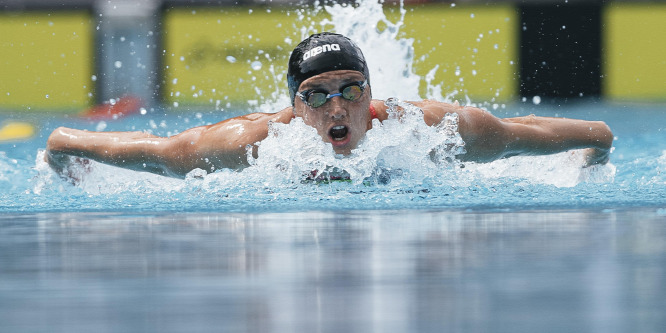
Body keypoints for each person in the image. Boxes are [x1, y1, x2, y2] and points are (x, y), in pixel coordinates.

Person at [46, 32, 613, 180]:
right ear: (294, 107)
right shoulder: (253, 145)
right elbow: (157, 151)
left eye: (350, 90)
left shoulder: (433, 130)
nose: (336, 108)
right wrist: (64, 147)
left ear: (371, 94)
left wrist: (595, 145)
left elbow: (540, 133)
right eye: (316, 96)